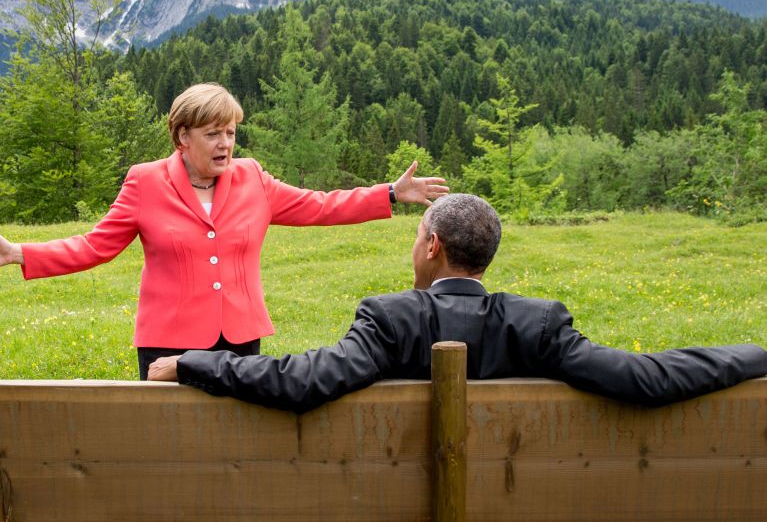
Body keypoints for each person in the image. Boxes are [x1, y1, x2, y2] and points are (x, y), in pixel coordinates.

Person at [148, 194, 767, 412]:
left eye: (417, 238)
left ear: (433, 246)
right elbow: (647, 378)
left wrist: (195, 362)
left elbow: (303, 381)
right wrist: (756, 354)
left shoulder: (390, 320)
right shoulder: (538, 325)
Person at [0, 83, 448, 379]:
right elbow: (95, 245)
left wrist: (388, 193)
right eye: (214, 134)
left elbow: (319, 205)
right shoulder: (144, 181)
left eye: (231, 133)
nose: (226, 144)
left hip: (239, 339)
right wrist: (19, 252)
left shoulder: (253, 177)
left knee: (237, 444)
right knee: (169, 446)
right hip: (166, 342)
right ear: (182, 137)